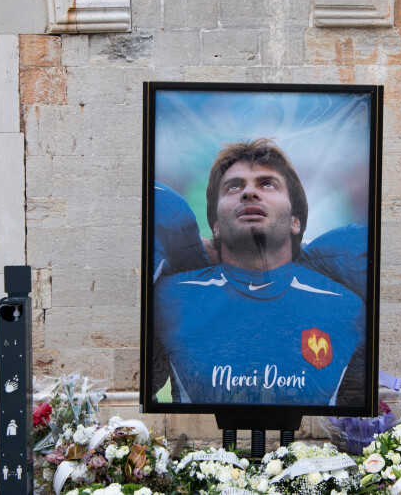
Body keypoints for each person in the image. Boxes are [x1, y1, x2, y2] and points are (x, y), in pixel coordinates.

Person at [153, 138, 366, 406]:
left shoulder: (347, 308)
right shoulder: (167, 300)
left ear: (295, 221)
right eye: (233, 187)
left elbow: (354, 426)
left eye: (267, 184)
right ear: (215, 225)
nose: (249, 193)